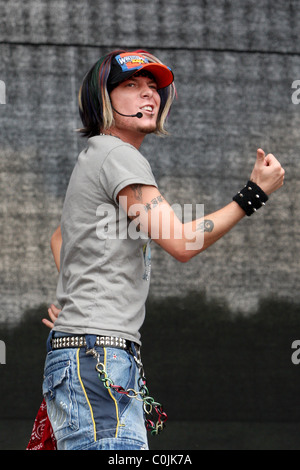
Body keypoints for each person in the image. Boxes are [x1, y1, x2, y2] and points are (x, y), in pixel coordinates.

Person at [37, 49, 285, 451]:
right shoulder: (117, 154)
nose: (148, 95)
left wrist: (75, 306)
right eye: (131, 86)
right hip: (98, 355)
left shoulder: (99, 156)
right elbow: (182, 244)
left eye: (153, 87)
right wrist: (253, 194)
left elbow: (61, 238)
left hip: (90, 352)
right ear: (101, 98)